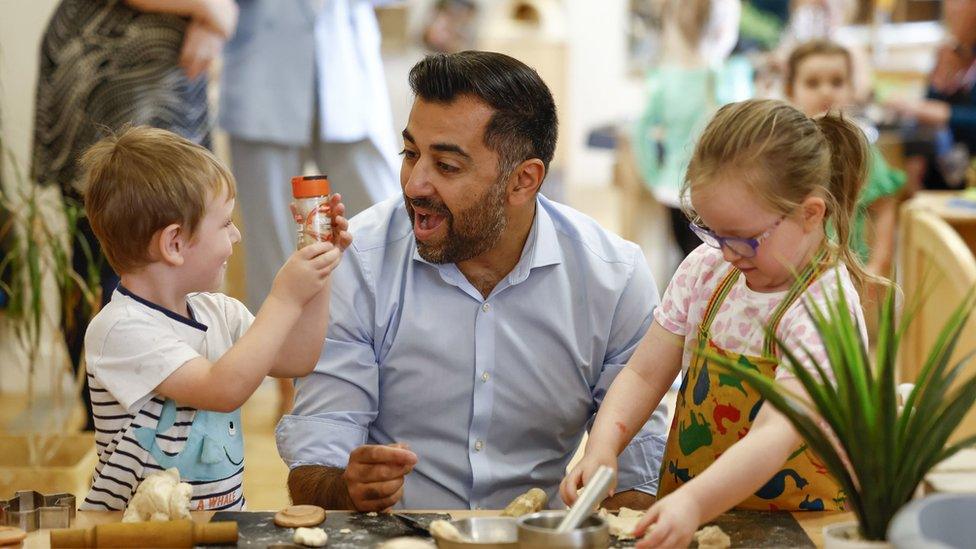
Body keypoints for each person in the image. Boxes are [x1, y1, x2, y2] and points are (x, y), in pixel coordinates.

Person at [278, 51, 669, 511]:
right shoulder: (358, 261)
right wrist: (348, 487)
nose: (414, 185)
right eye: (410, 154)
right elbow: (315, 464)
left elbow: (637, 473)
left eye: (446, 167)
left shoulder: (613, 279)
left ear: (523, 180)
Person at [562, 99, 869, 548]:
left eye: (745, 238)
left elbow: (774, 434)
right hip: (696, 518)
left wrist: (693, 503)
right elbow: (645, 374)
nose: (727, 253)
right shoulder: (708, 270)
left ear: (811, 213)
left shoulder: (826, 310)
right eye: (713, 231)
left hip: (806, 529)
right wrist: (604, 447)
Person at [77, 126, 350, 511]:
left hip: (219, 525)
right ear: (174, 244)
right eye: (224, 223)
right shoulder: (119, 330)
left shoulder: (219, 311)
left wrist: (319, 273)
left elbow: (297, 359)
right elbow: (222, 389)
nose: (236, 235)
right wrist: (284, 297)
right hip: (137, 537)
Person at [31, 0, 239, 430]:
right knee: (108, 252)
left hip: (171, 75)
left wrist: (215, 21)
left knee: (187, 226)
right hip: (109, 65)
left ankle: (176, 400)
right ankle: (109, 423)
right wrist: (211, 9)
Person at [218, 0, 401, 416]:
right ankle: (288, 391)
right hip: (262, 75)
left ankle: (390, 367)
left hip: (348, 73)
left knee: (389, 224)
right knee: (272, 246)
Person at [633, 0, 752, 259]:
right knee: (713, 260)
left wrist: (655, 176)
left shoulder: (664, 79)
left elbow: (640, 133)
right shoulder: (733, 77)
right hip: (719, 190)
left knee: (688, 258)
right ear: (724, 29)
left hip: (672, 188)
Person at [785, 40, 904, 287]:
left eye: (837, 82)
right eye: (812, 83)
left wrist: (876, 265)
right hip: (791, 274)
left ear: (851, 87)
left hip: (847, 275)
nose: (826, 91)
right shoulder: (782, 151)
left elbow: (884, 209)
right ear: (790, 89)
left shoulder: (862, 152)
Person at [886, 0, 976, 190]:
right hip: (943, 176)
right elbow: (928, 107)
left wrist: (944, 112)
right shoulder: (949, 53)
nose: (952, 8)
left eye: (963, 2)